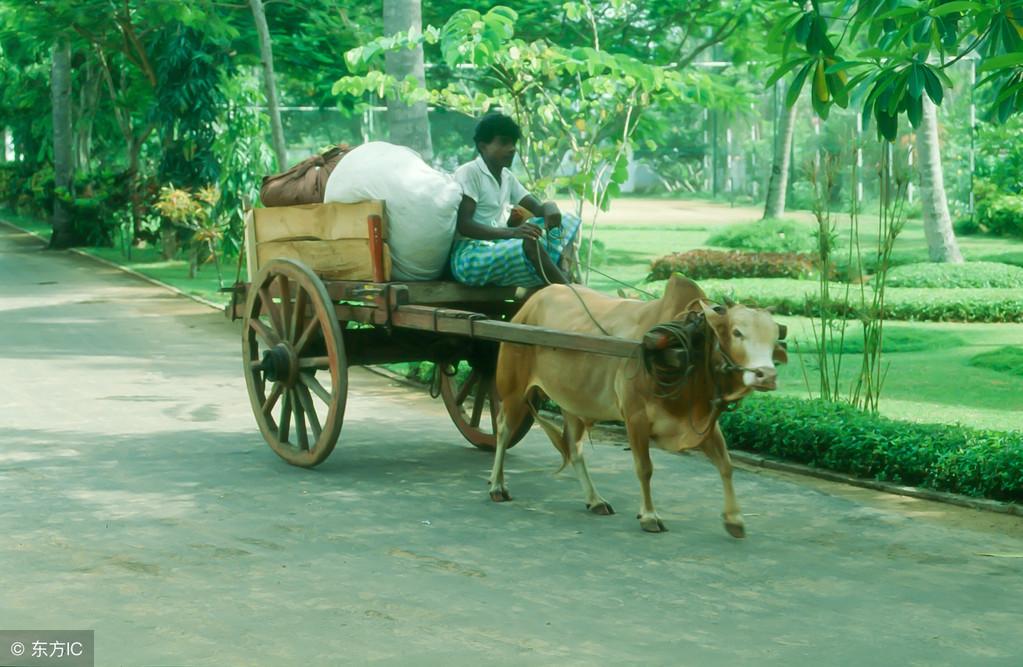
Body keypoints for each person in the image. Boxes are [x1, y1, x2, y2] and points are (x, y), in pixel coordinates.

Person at [450, 113, 582, 287]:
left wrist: (550, 207)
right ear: (483, 146)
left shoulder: (507, 177)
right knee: (528, 243)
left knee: (565, 220)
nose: (512, 149)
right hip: (470, 257)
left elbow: (538, 209)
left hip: (498, 247)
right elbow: (465, 225)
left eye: (513, 143)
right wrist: (513, 233)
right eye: (504, 142)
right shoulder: (470, 172)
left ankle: (559, 272)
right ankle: (567, 290)